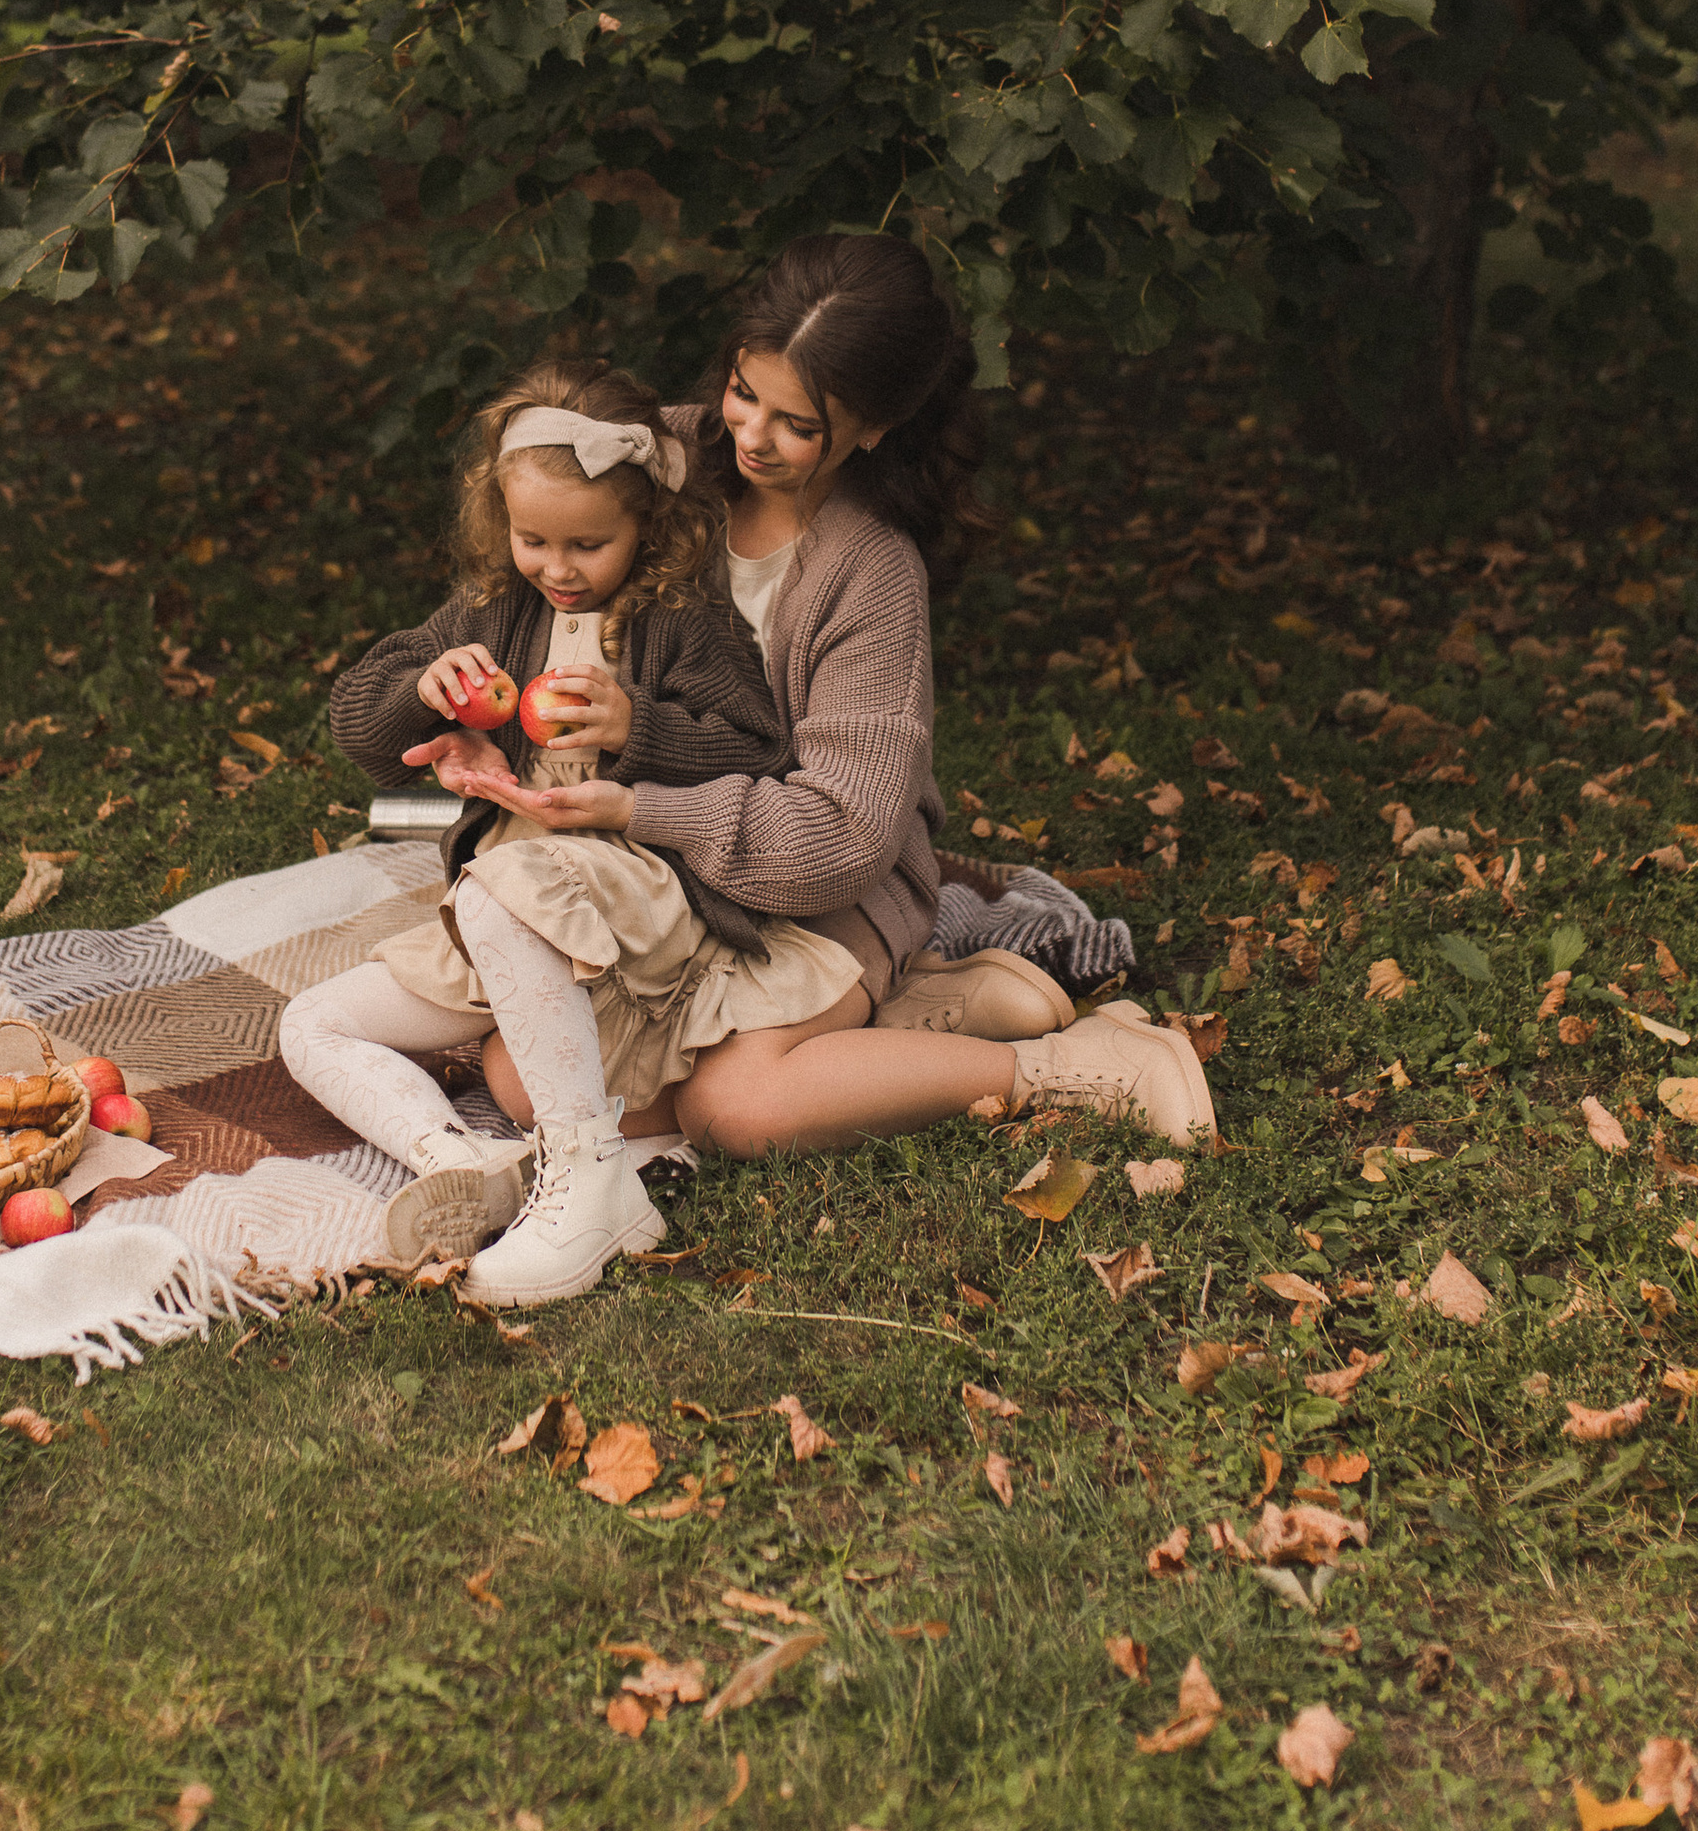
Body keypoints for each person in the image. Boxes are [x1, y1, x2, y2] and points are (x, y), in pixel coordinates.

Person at [427, 237, 1217, 1167]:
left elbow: (844, 837)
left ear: (873, 428)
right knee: (524, 1081)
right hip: (646, 878)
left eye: (798, 423)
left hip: (823, 886)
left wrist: (644, 806)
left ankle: (1072, 1063)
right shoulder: (656, 463)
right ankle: (914, 1016)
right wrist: (451, 694)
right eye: (743, 392)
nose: (751, 436)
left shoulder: (869, 574)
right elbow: (510, 583)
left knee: (737, 1109)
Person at [284, 365, 878, 1302]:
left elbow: (761, 750)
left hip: (632, 891)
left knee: (496, 889)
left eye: (588, 545)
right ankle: (467, 1166)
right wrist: (427, 689)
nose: (557, 569)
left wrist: (637, 728)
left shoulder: (683, 623)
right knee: (313, 1024)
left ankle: (585, 1170)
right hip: (506, 907)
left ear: (646, 524)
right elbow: (358, 726)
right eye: (533, 540)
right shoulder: (496, 609)